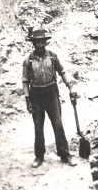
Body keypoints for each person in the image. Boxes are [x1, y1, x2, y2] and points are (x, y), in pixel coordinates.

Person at [22, 29, 78, 168]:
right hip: (36, 95)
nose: (40, 45)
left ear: (46, 42)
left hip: (51, 93)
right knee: (38, 127)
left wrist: (71, 87)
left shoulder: (53, 57)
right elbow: (25, 81)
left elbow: (63, 72)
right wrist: (28, 100)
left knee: (58, 124)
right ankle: (39, 156)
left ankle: (65, 154)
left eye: (42, 42)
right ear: (33, 43)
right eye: (37, 42)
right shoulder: (28, 60)